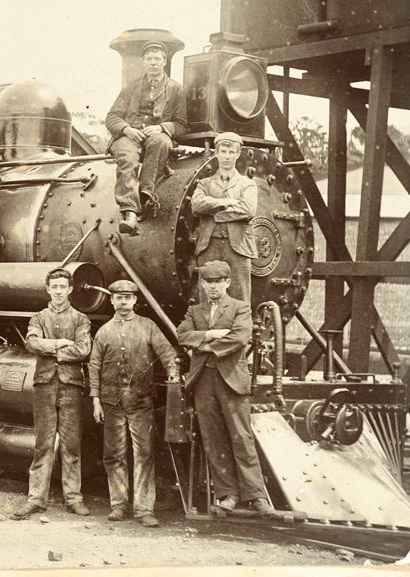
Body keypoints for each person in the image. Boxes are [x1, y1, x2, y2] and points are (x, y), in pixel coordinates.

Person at [176, 260, 272, 515]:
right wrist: (211, 335)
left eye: (218, 282)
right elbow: (183, 335)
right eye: (208, 282)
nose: (213, 287)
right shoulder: (194, 311)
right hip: (203, 382)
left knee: (242, 437)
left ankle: (256, 496)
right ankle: (228, 494)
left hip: (231, 380)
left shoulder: (240, 308)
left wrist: (205, 345)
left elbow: (241, 336)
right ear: (202, 284)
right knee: (213, 439)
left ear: (228, 282)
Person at [89, 279, 179, 527]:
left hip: (141, 403)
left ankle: (143, 509)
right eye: (119, 298)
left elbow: (167, 351)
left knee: (144, 454)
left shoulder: (148, 327)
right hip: (111, 404)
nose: (124, 302)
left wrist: (172, 370)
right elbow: (94, 367)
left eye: (128, 298)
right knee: (114, 455)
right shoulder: (104, 332)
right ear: (112, 301)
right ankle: (118, 505)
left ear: (135, 301)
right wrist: (96, 401)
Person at [10, 268, 92, 520]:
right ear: (48, 289)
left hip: (71, 386)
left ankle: (73, 498)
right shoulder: (38, 317)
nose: (58, 291)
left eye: (62, 287)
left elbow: (84, 349)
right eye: (54, 287)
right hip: (45, 385)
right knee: (43, 445)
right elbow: (31, 343)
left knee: (71, 445)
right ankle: (36, 499)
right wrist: (60, 344)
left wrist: (51, 350)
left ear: (70, 289)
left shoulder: (80, 319)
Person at [105, 41, 187, 234]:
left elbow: (182, 124)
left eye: (157, 59)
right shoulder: (131, 87)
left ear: (164, 61)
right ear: (143, 62)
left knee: (160, 143)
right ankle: (129, 212)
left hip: (156, 136)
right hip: (130, 136)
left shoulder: (176, 89)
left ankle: (144, 197)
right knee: (126, 157)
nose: (153, 63)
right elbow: (112, 117)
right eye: (149, 59)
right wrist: (126, 129)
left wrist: (161, 127)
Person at [192, 132, 258, 303]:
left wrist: (214, 213)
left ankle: (240, 331)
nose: (227, 156)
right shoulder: (204, 183)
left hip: (238, 248)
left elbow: (247, 210)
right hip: (209, 246)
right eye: (223, 151)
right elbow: (197, 205)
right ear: (216, 153)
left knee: (240, 300)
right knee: (207, 300)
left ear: (238, 154)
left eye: (231, 152)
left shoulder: (248, 184)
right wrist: (225, 202)